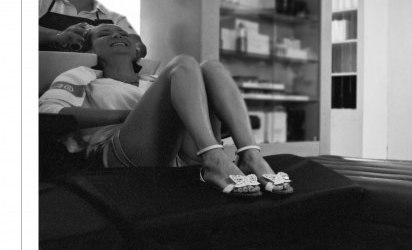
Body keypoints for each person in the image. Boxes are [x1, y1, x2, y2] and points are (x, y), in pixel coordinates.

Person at [39, 24, 291, 197]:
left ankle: (250, 156)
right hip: (121, 153)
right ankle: (215, 158)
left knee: (211, 67)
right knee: (183, 63)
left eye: (123, 34)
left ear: (136, 50)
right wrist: (134, 117)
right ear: (90, 49)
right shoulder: (81, 75)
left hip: (183, 154)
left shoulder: (156, 80)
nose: (117, 36)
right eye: (105, 34)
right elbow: (48, 112)